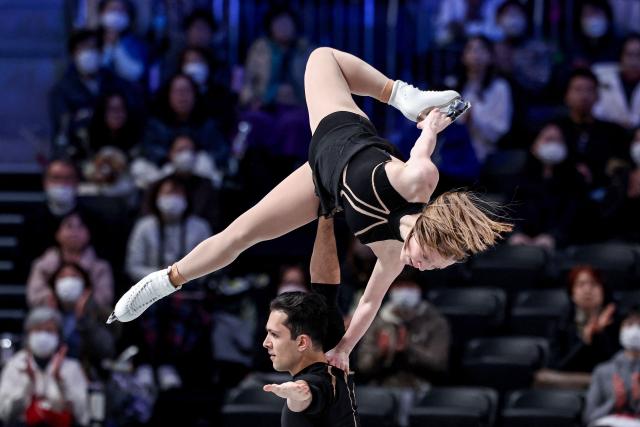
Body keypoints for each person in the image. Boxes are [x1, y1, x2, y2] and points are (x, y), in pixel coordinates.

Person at [109, 47, 511, 373]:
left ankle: (165, 280)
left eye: (432, 269)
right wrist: (430, 124)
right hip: (342, 135)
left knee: (242, 234)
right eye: (429, 259)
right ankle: (400, 94)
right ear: (428, 232)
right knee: (321, 57)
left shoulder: (392, 256)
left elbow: (368, 305)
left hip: (323, 183)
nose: (422, 269)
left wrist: (345, 349)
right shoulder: (417, 181)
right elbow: (423, 152)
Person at [262, 291, 359, 426]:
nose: (266, 343)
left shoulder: (319, 381)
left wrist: (297, 391)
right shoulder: (334, 375)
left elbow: (309, 393)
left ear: (302, 342)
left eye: (274, 335)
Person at [356, 273, 450, 388]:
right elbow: (363, 365)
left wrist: (409, 347)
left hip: (423, 386)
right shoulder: (377, 321)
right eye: (399, 286)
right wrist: (381, 352)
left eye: (410, 286)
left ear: (420, 290)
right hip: (382, 385)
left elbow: (439, 363)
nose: (404, 291)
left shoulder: (435, 321)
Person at [0, 307, 89, 426]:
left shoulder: (72, 367)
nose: (43, 336)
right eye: (38, 330)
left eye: (49, 330)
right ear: (28, 335)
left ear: (58, 335)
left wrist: (60, 382)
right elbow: (4, 414)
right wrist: (28, 384)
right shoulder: (15, 365)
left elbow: (83, 416)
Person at [508, 123, 588, 250]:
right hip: (521, 243)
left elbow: (576, 215)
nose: (553, 145)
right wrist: (516, 234)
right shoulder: (519, 179)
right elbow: (508, 212)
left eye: (558, 141)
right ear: (534, 146)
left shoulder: (575, 180)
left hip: (562, 246)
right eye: (549, 140)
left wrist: (554, 237)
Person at [27, 211, 114, 310]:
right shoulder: (42, 266)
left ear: (89, 234)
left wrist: (89, 301)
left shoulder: (100, 267)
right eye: (69, 226)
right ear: (57, 234)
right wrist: (51, 298)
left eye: (80, 227)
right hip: (51, 312)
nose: (75, 232)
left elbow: (106, 297)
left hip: (89, 315)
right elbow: (33, 296)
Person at [584, 308, 640, 426]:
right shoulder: (603, 371)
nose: (635, 331)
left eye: (639, 325)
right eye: (630, 324)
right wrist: (614, 401)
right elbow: (589, 417)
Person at [593, 34, 640, 130]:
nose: (634, 61)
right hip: (606, 133)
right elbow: (594, 109)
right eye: (629, 55)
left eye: (639, 55)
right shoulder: (600, 75)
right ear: (620, 56)